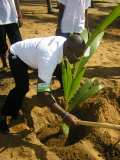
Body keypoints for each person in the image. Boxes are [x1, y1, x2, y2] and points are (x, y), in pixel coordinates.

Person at [0, 34, 86, 133]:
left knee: (60, 70)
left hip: (34, 53)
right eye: (77, 56)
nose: (78, 60)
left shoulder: (64, 43)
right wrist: (64, 115)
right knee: (22, 88)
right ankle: (3, 116)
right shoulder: (49, 58)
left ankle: (61, 93)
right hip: (17, 55)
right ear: (68, 50)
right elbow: (42, 93)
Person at [54, 0, 91, 86]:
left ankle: (73, 78)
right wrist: (59, 26)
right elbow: (62, 8)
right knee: (62, 53)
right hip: (65, 25)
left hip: (79, 26)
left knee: (77, 54)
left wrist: (87, 28)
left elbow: (85, 11)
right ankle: (63, 80)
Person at [0, 0, 22, 70]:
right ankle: (5, 65)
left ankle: (20, 63)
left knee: (18, 43)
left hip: (12, 18)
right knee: (1, 45)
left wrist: (19, 15)